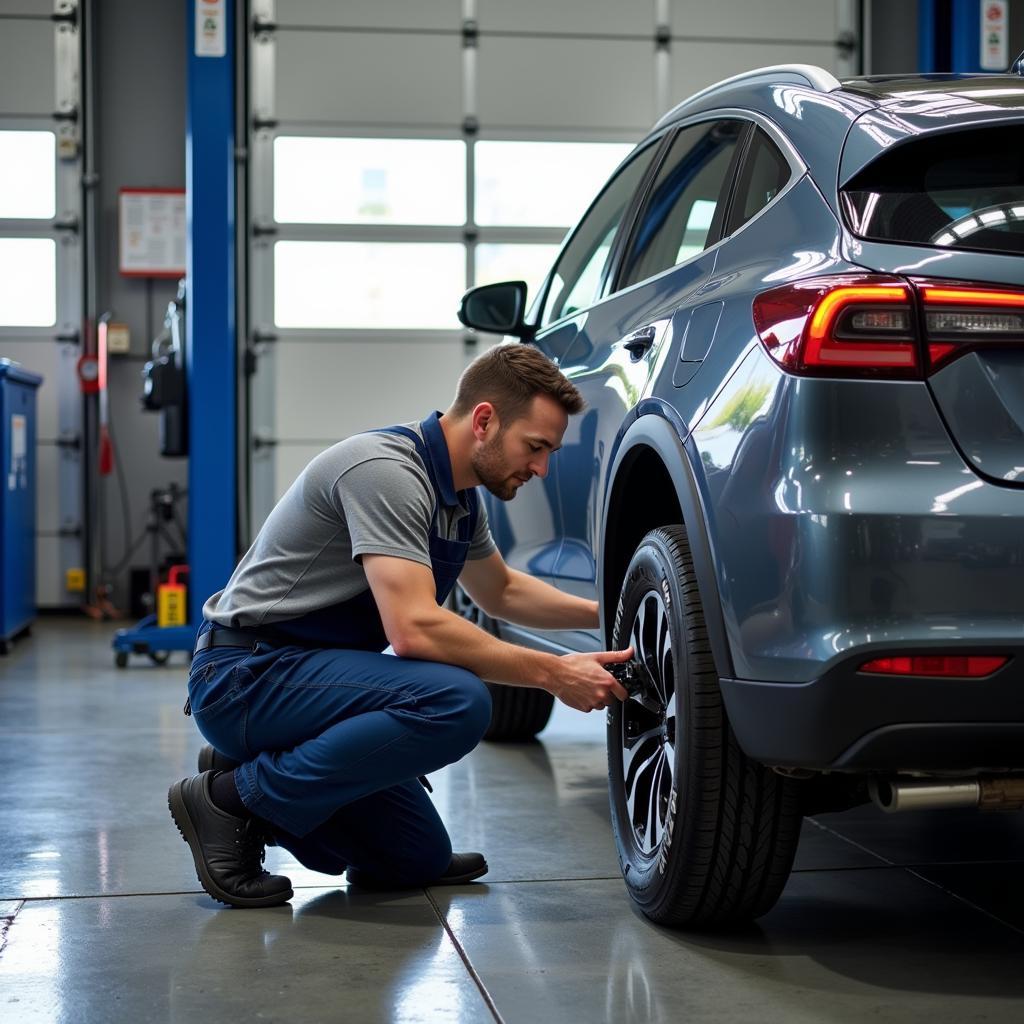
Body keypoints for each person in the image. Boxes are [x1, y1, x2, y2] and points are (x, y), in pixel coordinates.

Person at [169, 343, 633, 908]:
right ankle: (232, 799)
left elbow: (502, 591)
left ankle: (257, 771)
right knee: (456, 701)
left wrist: (612, 610)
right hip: (247, 674)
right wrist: (555, 674)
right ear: (484, 420)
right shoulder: (386, 472)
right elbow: (414, 630)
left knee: (412, 859)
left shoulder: (459, 499)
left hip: (305, 680)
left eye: (549, 453)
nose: (541, 468)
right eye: (535, 447)